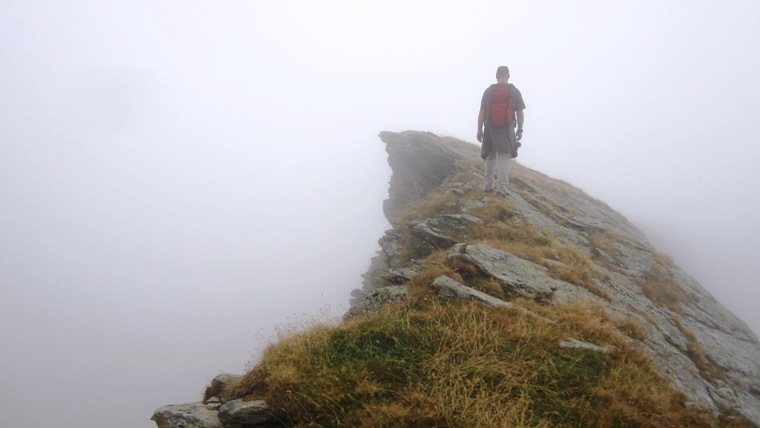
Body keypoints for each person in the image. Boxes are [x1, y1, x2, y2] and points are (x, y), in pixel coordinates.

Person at [476, 65, 526, 196]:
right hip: (507, 129)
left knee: (490, 156)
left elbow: (482, 113)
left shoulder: (488, 91)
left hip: (490, 128)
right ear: (508, 76)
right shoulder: (514, 91)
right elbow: (520, 113)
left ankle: (488, 186)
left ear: (496, 76)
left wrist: (479, 130)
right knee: (504, 158)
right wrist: (520, 130)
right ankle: (502, 190)